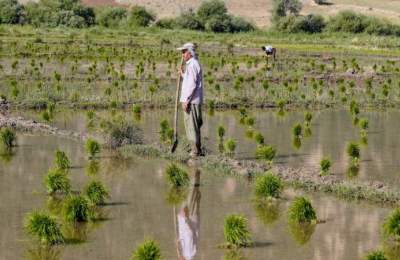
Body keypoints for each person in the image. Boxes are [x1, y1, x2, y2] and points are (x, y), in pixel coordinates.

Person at [177, 43, 204, 157]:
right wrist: (183, 74)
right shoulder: (192, 64)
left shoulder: (192, 64)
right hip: (193, 100)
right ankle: (197, 149)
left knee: (191, 126)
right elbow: (191, 80)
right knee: (194, 126)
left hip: (191, 101)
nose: (182, 54)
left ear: (189, 52)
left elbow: (192, 85)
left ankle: (195, 151)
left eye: (183, 52)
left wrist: (186, 100)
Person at [176, 169, 201, 260]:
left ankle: (196, 171)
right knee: (191, 192)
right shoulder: (189, 253)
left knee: (189, 192)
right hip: (190, 216)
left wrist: (178, 249)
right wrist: (185, 218)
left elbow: (183, 235)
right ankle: (195, 168)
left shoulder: (185, 253)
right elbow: (189, 233)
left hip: (185, 217)